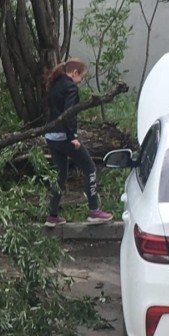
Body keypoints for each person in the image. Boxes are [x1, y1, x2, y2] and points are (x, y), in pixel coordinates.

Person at [43, 58, 113, 227]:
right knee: (90, 168)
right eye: (81, 77)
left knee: (60, 174)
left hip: (51, 136)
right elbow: (70, 112)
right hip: (64, 137)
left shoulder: (55, 83)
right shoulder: (70, 87)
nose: (80, 81)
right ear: (74, 73)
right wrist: (72, 136)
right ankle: (94, 210)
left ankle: (52, 216)